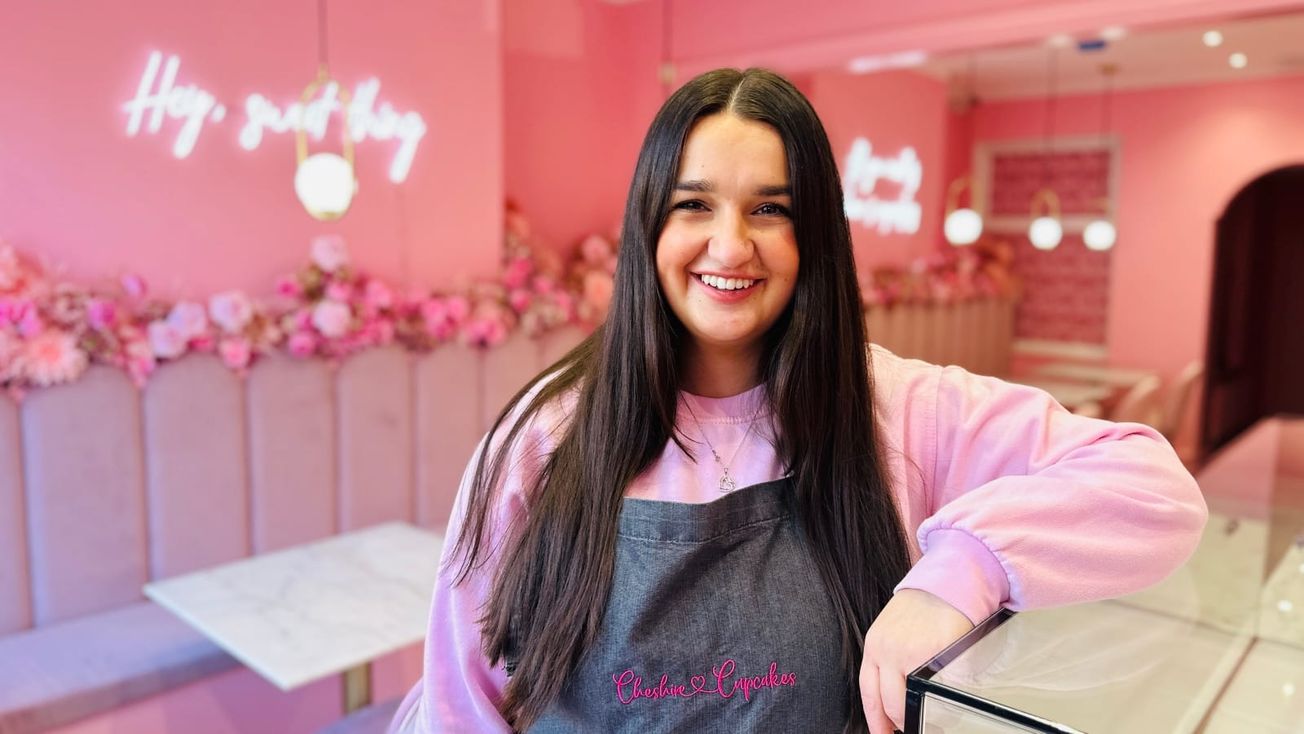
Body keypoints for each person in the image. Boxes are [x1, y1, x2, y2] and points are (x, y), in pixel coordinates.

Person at [389, 68, 1206, 733]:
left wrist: (957, 575)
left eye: (770, 210)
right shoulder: (548, 434)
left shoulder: (898, 407)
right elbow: (463, 702)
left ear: (814, 235)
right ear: (649, 227)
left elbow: (1150, 485)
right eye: (694, 204)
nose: (731, 244)